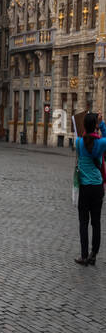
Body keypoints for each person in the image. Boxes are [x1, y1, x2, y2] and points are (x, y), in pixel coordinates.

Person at [74, 111, 106, 265]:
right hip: (98, 187)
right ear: (95, 127)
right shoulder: (101, 143)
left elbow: (83, 143)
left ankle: (84, 255)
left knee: (83, 222)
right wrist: (102, 125)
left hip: (85, 188)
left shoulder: (79, 142)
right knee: (96, 222)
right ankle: (94, 255)